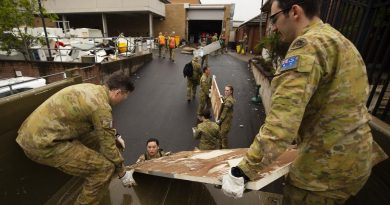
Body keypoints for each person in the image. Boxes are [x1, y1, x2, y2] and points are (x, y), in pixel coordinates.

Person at [221, 0, 388, 203]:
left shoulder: (307, 47)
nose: (273, 27)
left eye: (274, 19)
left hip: (321, 173)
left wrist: (244, 171)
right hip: (355, 161)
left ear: (295, 12)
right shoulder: (340, 41)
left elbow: (281, 124)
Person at [16, 72, 137, 205]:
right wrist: (122, 172)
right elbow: (108, 146)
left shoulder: (92, 89)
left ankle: (98, 185)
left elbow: (100, 128)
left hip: (31, 135)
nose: (122, 101)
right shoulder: (101, 106)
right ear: (117, 93)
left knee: (106, 144)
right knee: (104, 169)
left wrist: (115, 136)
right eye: (124, 97)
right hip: (43, 145)